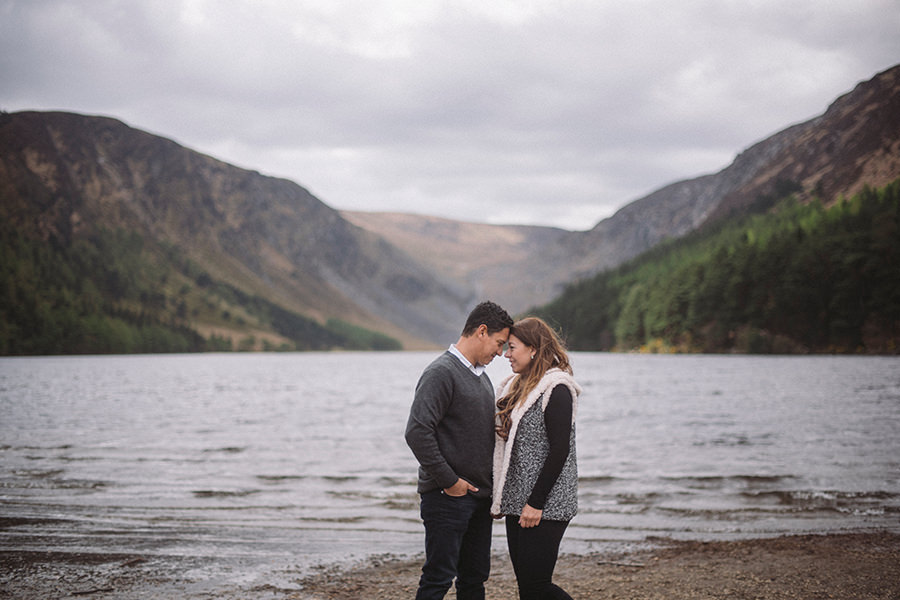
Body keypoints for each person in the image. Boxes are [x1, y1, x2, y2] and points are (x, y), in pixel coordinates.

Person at [405, 300, 514, 600]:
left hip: (478, 498)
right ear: (481, 331)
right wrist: (450, 482)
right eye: (499, 343)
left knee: (474, 579)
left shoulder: (482, 378)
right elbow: (417, 431)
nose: (501, 353)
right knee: (438, 578)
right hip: (447, 496)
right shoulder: (441, 372)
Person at [491, 317, 582, 600]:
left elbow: (559, 451)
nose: (506, 354)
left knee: (537, 585)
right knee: (527, 589)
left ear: (533, 349)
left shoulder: (557, 388)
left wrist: (536, 503)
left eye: (512, 348)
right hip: (518, 500)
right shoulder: (517, 386)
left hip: (546, 503)